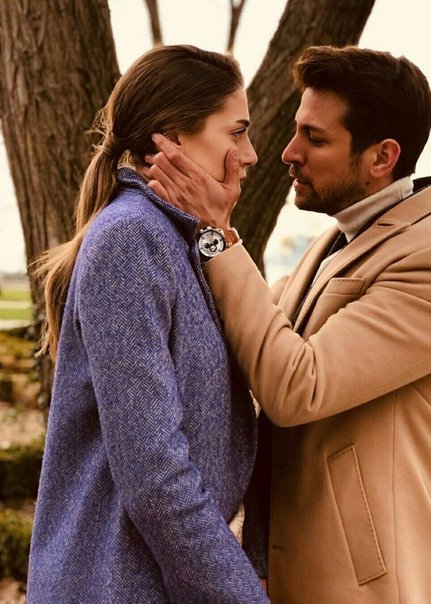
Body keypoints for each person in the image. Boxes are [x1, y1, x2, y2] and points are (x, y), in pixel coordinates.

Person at [145, 45, 431, 603]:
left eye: (316, 139)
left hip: (368, 590)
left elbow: (296, 386)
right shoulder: (336, 238)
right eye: (297, 130)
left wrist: (216, 234)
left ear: (382, 157)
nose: (288, 152)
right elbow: (252, 341)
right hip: (286, 576)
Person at [27, 44, 270, 603]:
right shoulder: (131, 239)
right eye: (236, 133)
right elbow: (154, 474)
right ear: (172, 137)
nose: (251, 154)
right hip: (114, 583)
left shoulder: (181, 240)